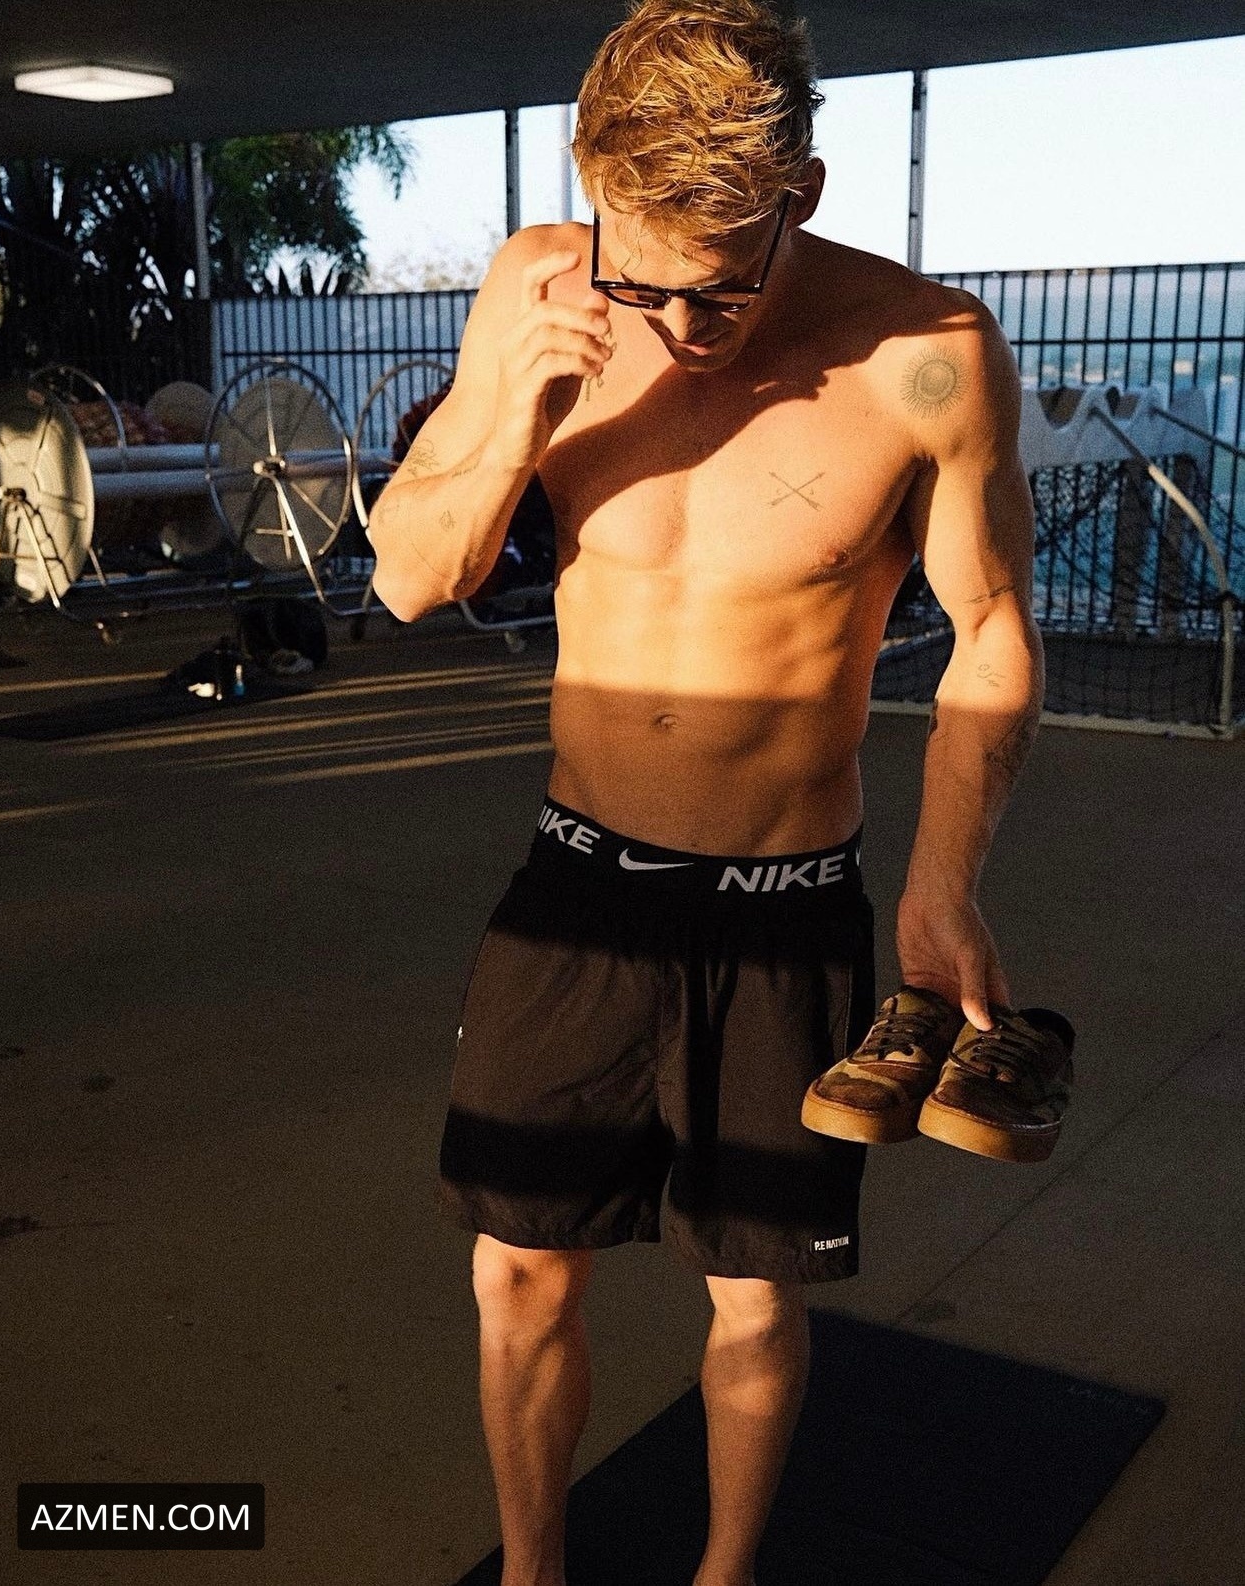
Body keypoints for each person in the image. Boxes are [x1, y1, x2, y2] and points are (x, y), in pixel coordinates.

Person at [367, 3, 1043, 1582]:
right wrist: (514, 418)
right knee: (518, 1271)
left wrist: (944, 882)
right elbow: (405, 577)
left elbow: (994, 629)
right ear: (592, 197)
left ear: (802, 194)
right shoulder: (537, 285)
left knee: (753, 1289)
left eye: (721, 287)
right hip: (576, 887)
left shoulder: (928, 356)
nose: (675, 323)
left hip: (783, 908)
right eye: (641, 276)